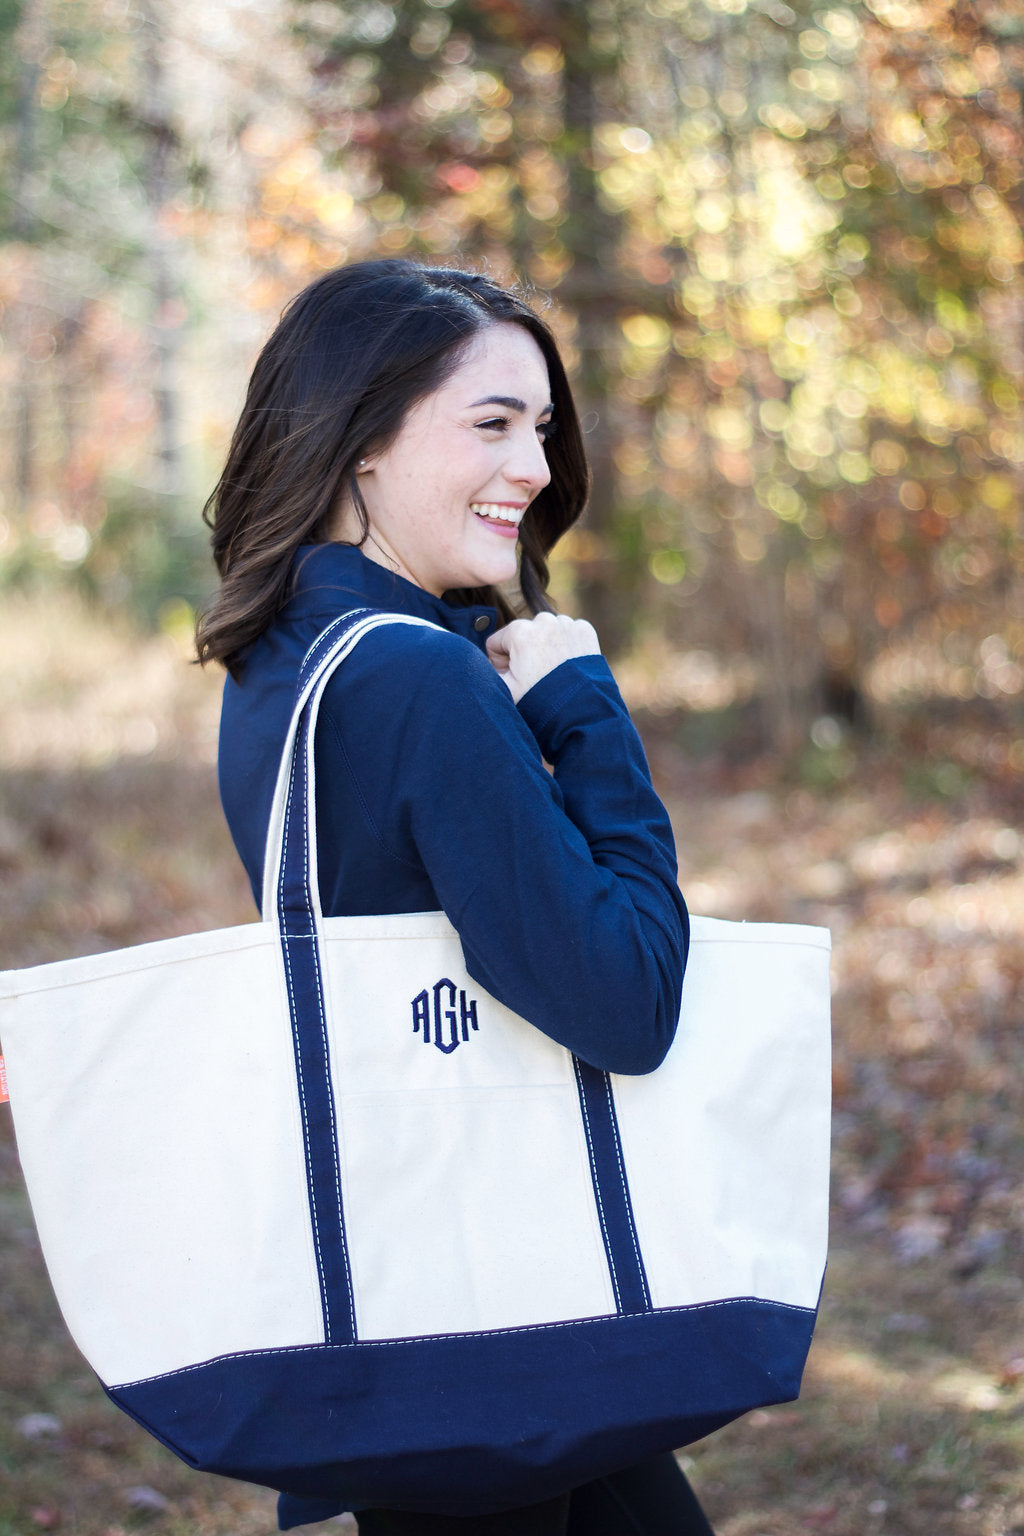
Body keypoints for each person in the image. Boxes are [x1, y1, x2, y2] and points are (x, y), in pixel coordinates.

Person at [197, 259, 714, 1536]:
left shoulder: (281, 663)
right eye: (490, 423)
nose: (535, 465)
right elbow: (629, 999)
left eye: (538, 427)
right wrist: (581, 708)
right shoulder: (420, 681)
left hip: (415, 1272)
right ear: (360, 443)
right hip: (496, 1313)